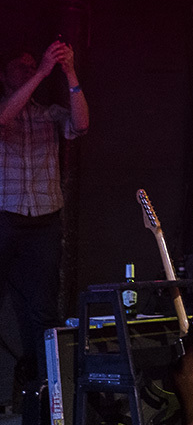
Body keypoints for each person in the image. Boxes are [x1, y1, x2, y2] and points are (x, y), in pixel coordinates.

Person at [0, 39, 89, 394]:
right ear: (3, 75)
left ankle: (47, 394)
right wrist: (39, 71)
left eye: (30, 62)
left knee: (44, 310)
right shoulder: (7, 103)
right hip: (4, 216)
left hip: (44, 221)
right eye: (18, 65)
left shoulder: (46, 112)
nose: (27, 66)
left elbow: (81, 124)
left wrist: (68, 71)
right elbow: (4, 116)